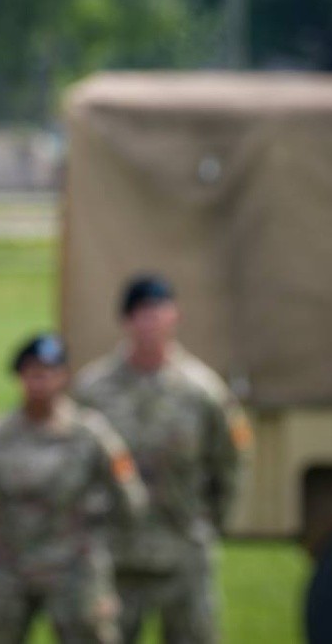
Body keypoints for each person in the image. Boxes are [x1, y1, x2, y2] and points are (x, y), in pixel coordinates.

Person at [0, 333, 146, 644]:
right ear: (20, 377)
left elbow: (130, 500)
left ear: (64, 376)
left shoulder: (92, 435)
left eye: (49, 372)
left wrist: (105, 551)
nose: (40, 381)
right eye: (32, 373)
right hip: (7, 572)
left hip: (74, 570)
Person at [73, 275, 251, 644]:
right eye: (141, 314)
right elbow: (76, 466)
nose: (150, 323)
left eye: (158, 313)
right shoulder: (93, 390)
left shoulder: (202, 391)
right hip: (115, 555)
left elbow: (229, 462)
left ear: (175, 317)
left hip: (182, 552)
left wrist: (208, 523)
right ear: (126, 321)